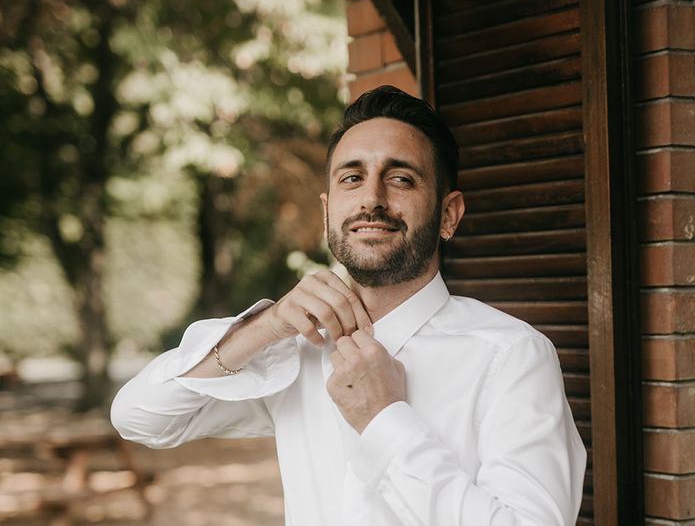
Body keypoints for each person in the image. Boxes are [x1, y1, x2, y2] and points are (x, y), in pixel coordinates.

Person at [111, 85, 586, 525]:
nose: (371, 200)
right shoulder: (295, 352)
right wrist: (265, 327)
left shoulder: (512, 355)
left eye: (401, 178)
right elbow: (140, 418)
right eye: (352, 178)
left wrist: (383, 420)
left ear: (448, 214)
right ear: (327, 211)